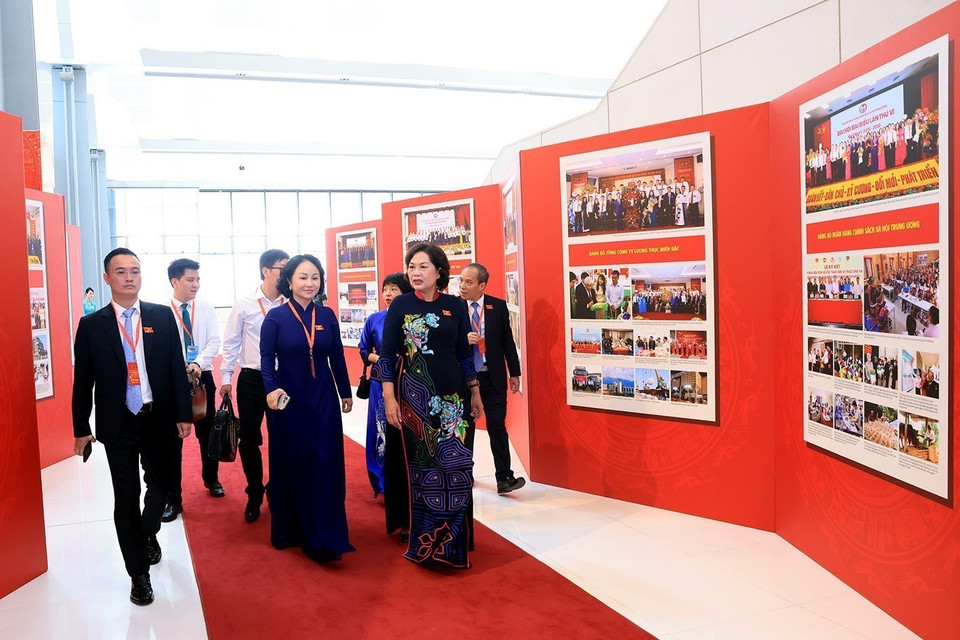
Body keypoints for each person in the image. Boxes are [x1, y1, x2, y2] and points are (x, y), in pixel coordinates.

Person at [72, 248, 192, 606]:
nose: (129, 277)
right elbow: (83, 381)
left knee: (163, 485)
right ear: (107, 278)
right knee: (126, 497)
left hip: (158, 417)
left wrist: (183, 414)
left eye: (135, 271)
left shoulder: (161, 316)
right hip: (118, 423)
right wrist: (81, 427)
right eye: (120, 271)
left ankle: (147, 532)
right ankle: (137, 574)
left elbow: (175, 367)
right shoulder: (92, 326)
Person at [380, 243, 482, 568]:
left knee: (456, 470)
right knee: (425, 470)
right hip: (416, 399)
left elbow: (465, 355)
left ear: (439, 271)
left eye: (423, 266)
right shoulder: (401, 306)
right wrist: (388, 397)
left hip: (455, 401)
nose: (415, 272)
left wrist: (475, 391)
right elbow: (386, 355)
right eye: (411, 266)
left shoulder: (455, 305)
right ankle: (425, 543)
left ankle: (452, 545)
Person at [260, 254, 355, 563]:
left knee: (325, 461)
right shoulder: (275, 318)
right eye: (303, 277)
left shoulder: (327, 314)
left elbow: (337, 356)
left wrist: (345, 391)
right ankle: (293, 530)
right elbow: (265, 360)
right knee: (294, 462)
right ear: (289, 280)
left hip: (323, 398)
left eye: (315, 277)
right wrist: (271, 389)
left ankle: (326, 533)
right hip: (289, 401)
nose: (309, 283)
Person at [220, 249, 290, 522]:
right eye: (282, 268)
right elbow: (231, 342)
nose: (286, 273)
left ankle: (276, 488)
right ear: (266, 271)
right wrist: (226, 378)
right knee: (249, 439)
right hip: (251, 379)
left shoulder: (290, 303)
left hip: (283, 381)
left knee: (282, 437)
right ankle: (254, 493)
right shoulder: (245, 303)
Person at [161, 259, 224, 524]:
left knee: (208, 435)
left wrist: (197, 362)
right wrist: (180, 367)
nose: (196, 284)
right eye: (190, 280)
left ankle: (212, 479)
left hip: (203, 378)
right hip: (173, 383)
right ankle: (172, 498)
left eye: (198, 280)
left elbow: (214, 341)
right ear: (175, 282)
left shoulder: (206, 308)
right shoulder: (162, 312)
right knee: (171, 441)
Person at [459, 263, 525, 495]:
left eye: (468, 282)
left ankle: (504, 477)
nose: (462, 286)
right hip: (466, 379)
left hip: (493, 377)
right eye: (461, 281)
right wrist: (462, 339)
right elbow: (445, 343)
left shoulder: (497, 306)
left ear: (482, 285)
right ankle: (464, 472)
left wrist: (514, 373)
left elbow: (508, 341)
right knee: (465, 426)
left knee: (497, 426)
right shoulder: (453, 306)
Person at [358, 272, 413, 540]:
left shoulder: (413, 319)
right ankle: (381, 482)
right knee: (380, 432)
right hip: (382, 385)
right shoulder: (374, 319)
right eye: (385, 289)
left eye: (394, 288)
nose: (388, 293)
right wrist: (382, 357)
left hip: (411, 386)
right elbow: (363, 351)